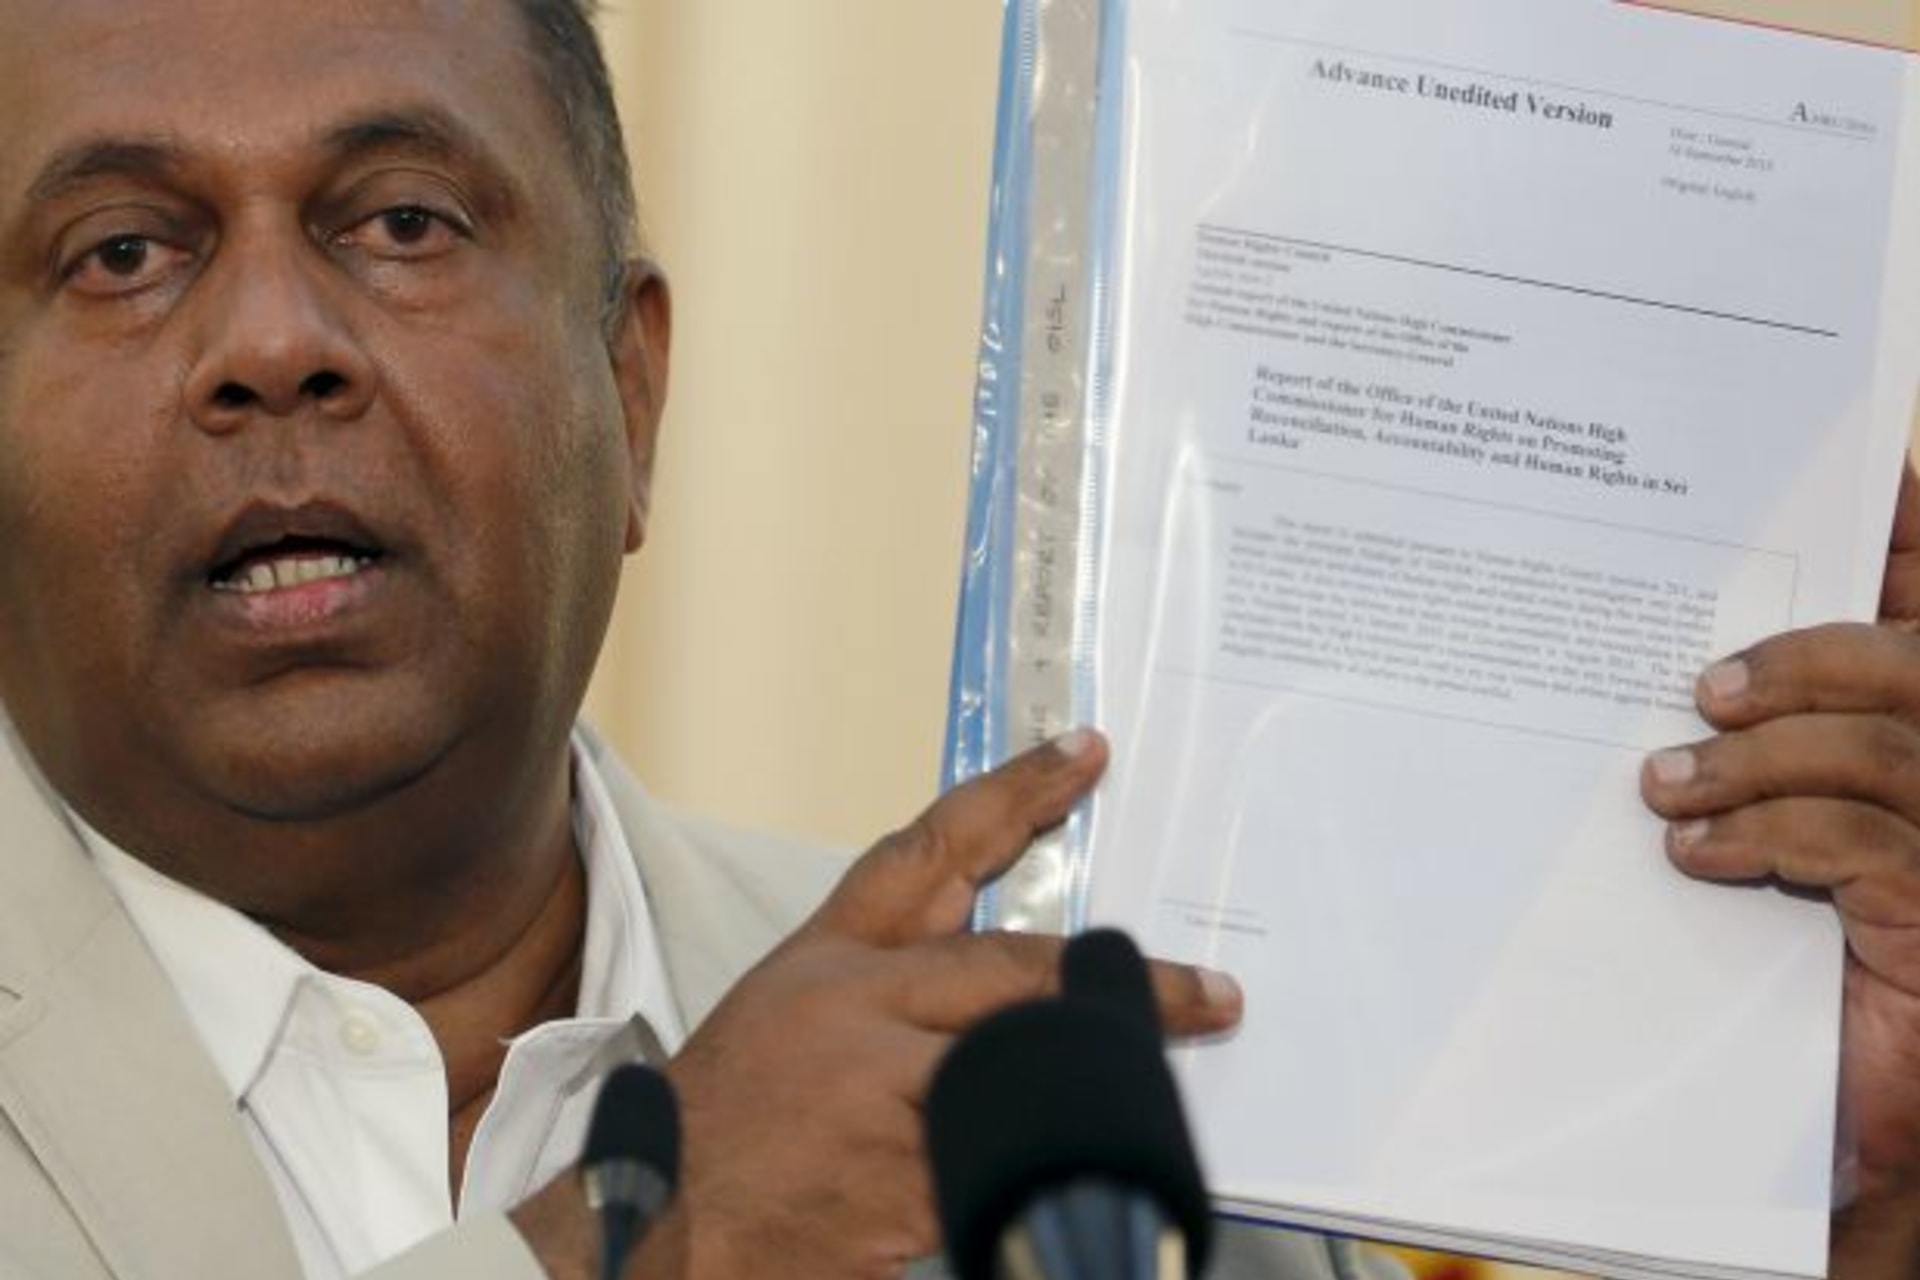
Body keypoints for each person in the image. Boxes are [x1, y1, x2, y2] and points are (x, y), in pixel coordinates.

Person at [0, 4, 1911, 1280]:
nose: (274, 342)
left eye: (404, 222)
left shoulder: (1091, 1067)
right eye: (121, 252)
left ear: (631, 394)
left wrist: (1835, 1190)